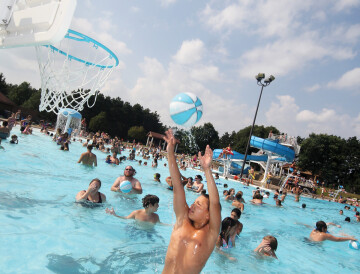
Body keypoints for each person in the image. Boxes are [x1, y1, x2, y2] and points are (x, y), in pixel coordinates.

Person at [162, 129, 221, 274]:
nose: (193, 204)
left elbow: (214, 204)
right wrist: (170, 152)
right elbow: (177, 186)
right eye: (195, 202)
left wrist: (207, 169)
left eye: (199, 204)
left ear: (208, 215)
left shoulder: (210, 234)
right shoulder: (182, 219)